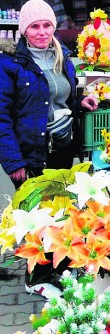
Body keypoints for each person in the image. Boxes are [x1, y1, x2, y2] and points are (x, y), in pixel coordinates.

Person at [0, 0, 98, 191]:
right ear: (24, 30)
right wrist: (13, 160)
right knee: (34, 213)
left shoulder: (63, 58)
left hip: (64, 147)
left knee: (61, 208)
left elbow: (56, 98)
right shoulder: (10, 64)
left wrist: (80, 102)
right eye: (34, 26)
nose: (42, 31)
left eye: (47, 25)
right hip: (33, 155)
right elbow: (1, 117)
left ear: (54, 26)